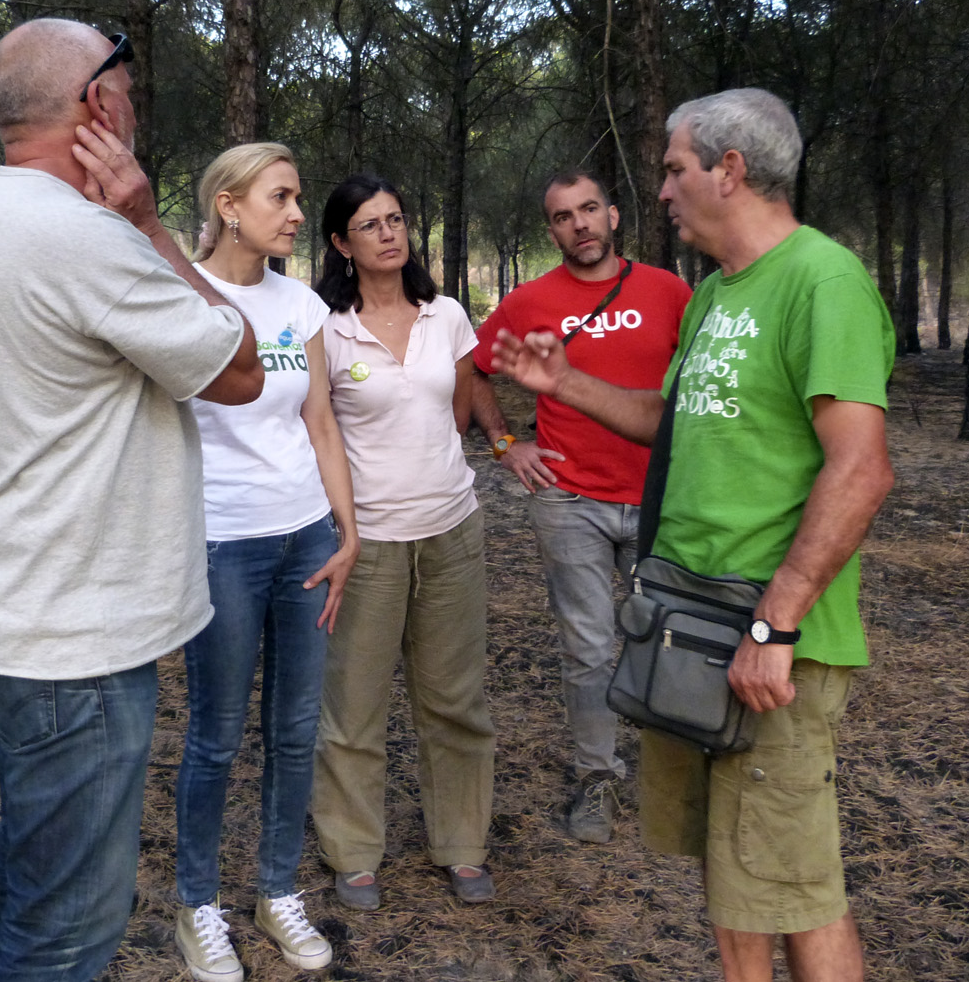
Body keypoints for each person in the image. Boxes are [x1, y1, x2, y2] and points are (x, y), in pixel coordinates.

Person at [492, 88, 894, 982]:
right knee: (730, 876)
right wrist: (564, 385)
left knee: (797, 883)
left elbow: (860, 469)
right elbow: (668, 420)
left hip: (766, 644)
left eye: (675, 169)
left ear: (731, 169)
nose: (663, 191)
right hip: (689, 625)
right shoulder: (715, 294)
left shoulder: (822, 281)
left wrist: (776, 624)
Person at [0, 19, 264, 982]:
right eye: (124, 76)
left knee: (36, 889)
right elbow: (240, 368)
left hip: (19, 610)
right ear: (98, 105)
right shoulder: (81, 235)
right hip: (75, 638)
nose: (133, 94)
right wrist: (150, 223)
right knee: (71, 927)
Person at [172, 143, 361, 982]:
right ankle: (198, 903)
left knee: (292, 730)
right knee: (215, 735)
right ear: (228, 205)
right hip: (221, 542)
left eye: (297, 196)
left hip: (305, 540)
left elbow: (320, 424)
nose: (295, 214)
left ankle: (276, 890)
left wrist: (345, 533)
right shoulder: (181, 295)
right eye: (281, 197)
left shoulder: (303, 304)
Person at [470, 171, 691, 844]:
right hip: (570, 498)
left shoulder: (670, 291)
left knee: (670, 637)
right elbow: (475, 367)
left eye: (590, 209)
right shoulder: (530, 300)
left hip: (662, 494)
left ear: (614, 215)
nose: (580, 224)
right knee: (589, 646)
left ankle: (678, 780)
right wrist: (506, 443)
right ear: (552, 230)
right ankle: (598, 775)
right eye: (563, 216)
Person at [309, 173, 497, 911]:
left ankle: (463, 842)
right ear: (339, 244)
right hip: (370, 542)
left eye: (396, 218)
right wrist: (350, 524)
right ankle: (353, 850)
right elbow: (320, 430)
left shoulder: (446, 314)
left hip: (451, 531)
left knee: (455, 698)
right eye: (369, 224)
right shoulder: (326, 327)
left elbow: (456, 411)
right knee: (354, 705)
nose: (389, 233)